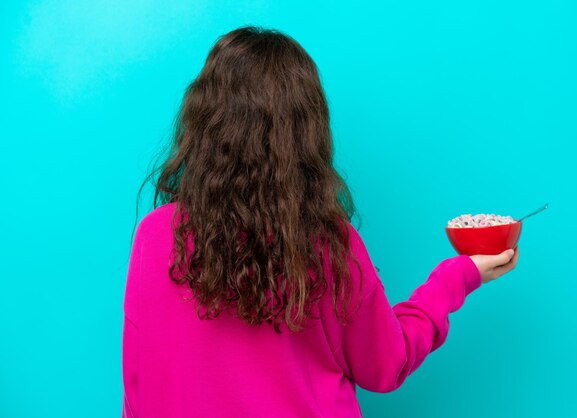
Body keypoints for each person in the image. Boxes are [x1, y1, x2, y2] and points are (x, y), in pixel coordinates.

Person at [121, 25, 519, 418]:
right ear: (305, 132)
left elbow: (136, 388)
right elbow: (385, 365)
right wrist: (458, 277)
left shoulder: (154, 235)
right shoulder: (326, 242)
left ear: (204, 122)